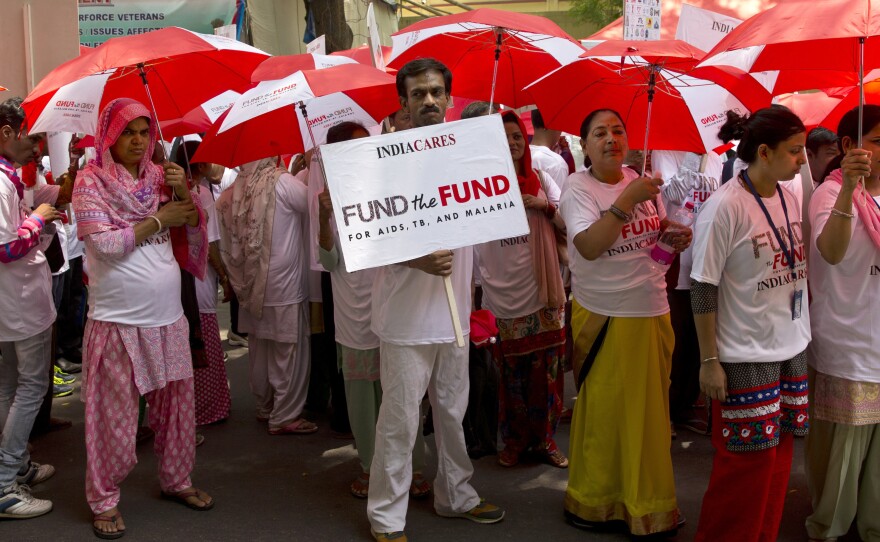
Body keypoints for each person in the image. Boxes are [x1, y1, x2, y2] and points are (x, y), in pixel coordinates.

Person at [367, 57, 504, 542]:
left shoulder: (469, 157)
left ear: (449, 98)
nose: (427, 101)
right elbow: (367, 238)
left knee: (452, 413)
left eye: (435, 93)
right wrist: (416, 260)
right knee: (401, 422)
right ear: (403, 101)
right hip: (405, 321)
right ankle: (386, 517)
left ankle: (456, 496)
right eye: (417, 94)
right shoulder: (382, 160)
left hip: (455, 317)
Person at [73, 98, 213, 539]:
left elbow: (191, 228)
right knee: (112, 417)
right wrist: (158, 219)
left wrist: (185, 194)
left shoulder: (162, 177)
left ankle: (176, 480)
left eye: (143, 131)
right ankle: (104, 498)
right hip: (117, 321)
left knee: (176, 411)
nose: (137, 141)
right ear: (109, 136)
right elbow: (106, 245)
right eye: (127, 132)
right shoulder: (89, 182)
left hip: (168, 318)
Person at [560, 109, 687, 536]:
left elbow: (652, 249)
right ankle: (595, 501)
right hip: (605, 315)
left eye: (618, 130)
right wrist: (627, 200)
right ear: (584, 145)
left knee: (650, 417)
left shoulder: (641, 180)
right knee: (607, 414)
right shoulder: (579, 187)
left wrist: (671, 235)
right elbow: (590, 247)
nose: (611, 138)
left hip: (652, 309)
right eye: (600, 133)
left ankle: (647, 504)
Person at [690, 107, 811, 542]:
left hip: (790, 346)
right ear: (764, 151)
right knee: (744, 468)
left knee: (778, 462)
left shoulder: (788, 195)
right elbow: (702, 287)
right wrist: (709, 361)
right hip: (744, 356)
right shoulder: (724, 207)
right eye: (795, 151)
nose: (802, 161)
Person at [316, 121, 431, 500]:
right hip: (353, 319)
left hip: (393, 313)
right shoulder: (327, 201)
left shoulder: (389, 193)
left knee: (400, 399)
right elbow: (328, 260)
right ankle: (369, 467)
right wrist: (322, 219)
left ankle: (409, 469)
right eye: (355, 148)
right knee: (364, 406)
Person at [474, 110, 568, 469]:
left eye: (517, 136)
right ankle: (513, 441)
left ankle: (545, 440)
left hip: (543, 290)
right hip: (502, 290)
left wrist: (542, 205)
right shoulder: (478, 186)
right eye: (504, 136)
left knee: (546, 372)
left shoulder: (540, 178)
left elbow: (568, 222)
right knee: (510, 374)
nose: (512, 143)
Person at [805, 105, 880, 542]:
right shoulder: (828, 194)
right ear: (849, 146)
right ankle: (829, 527)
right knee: (844, 451)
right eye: (878, 141)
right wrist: (851, 188)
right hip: (846, 341)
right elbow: (831, 253)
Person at [216, 151, 316, 436]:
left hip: (250, 287)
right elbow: (316, 203)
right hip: (283, 285)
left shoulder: (230, 194)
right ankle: (285, 415)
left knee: (259, 349)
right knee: (288, 349)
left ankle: (264, 406)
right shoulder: (281, 182)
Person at [0, 97, 61, 519]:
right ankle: (5, 484)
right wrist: (38, 218)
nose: (37, 147)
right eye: (33, 136)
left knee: (9, 386)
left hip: (13, 302)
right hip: (19, 302)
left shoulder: (9, 178)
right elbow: (6, 248)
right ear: (8, 133)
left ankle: (15, 465)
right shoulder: (1, 183)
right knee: (31, 387)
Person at [176, 141, 232, 426]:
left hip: (177, 283)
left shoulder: (173, 193)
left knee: (184, 347)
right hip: (199, 281)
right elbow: (209, 246)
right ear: (198, 165)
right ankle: (208, 407)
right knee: (205, 344)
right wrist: (225, 277)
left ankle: (186, 410)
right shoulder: (200, 194)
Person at [529, 108, 570, 192]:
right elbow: (559, 203)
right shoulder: (556, 164)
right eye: (560, 123)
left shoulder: (520, 155)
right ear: (549, 123)